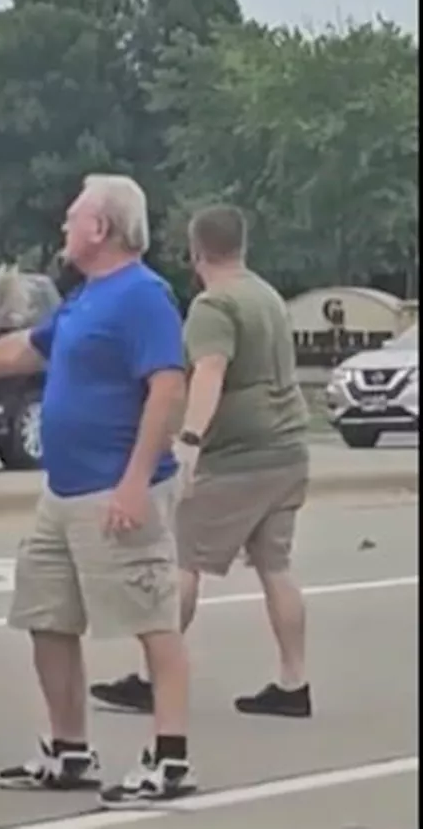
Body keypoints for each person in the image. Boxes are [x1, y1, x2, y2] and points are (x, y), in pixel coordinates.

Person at [0, 174, 196, 806]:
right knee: (46, 618)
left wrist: (136, 483)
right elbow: (23, 352)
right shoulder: (86, 299)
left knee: (152, 621)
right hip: (63, 492)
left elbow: (168, 387)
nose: (63, 225)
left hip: (116, 490)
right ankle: (70, 749)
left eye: (72, 216)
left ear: (101, 228)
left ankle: (169, 759)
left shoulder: (144, 297)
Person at [90, 204, 314, 719]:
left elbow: (210, 371)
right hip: (288, 448)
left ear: (194, 252)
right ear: (241, 246)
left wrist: (188, 438)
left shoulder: (215, 306)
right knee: (276, 566)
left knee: (183, 564)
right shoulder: (267, 296)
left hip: (239, 457)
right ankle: (294, 680)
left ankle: (152, 679)